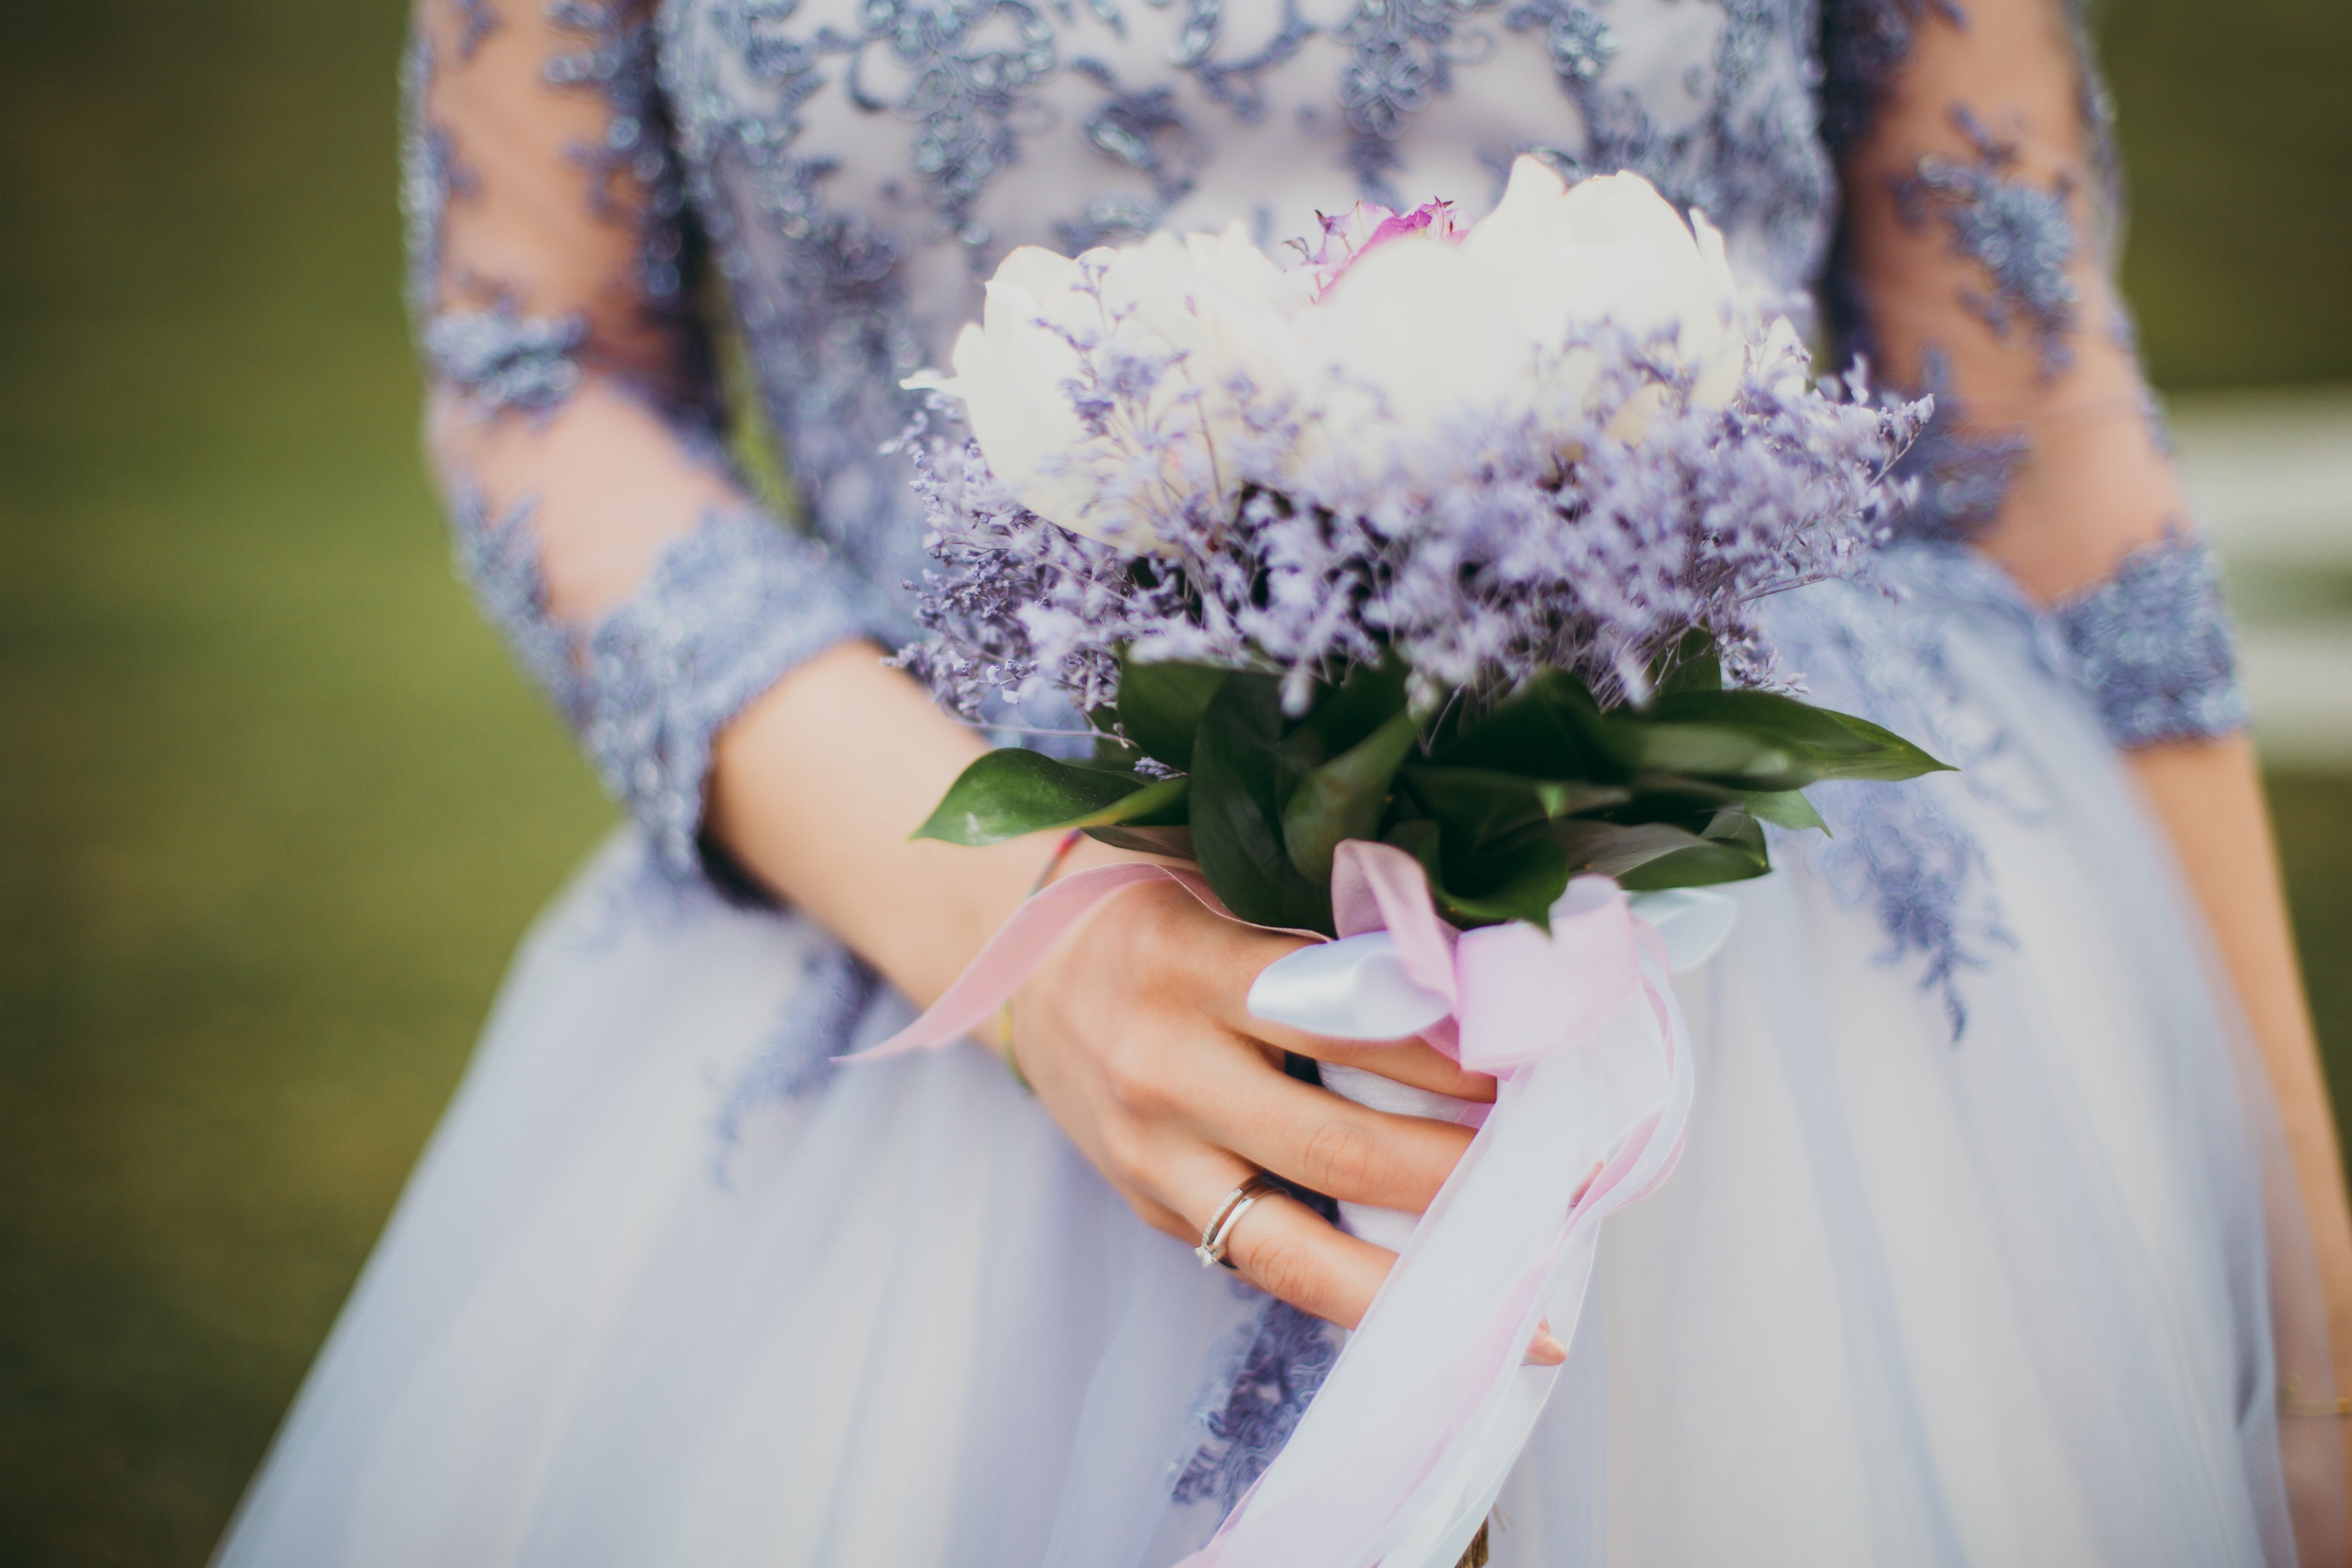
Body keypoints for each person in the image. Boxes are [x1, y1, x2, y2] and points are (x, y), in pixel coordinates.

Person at [215, 0, 2352, 1560]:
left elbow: (2033, 410)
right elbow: (536, 375)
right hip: (930, 967)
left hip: (1775, 1030)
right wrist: (1036, 946)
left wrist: (2315, 1344)